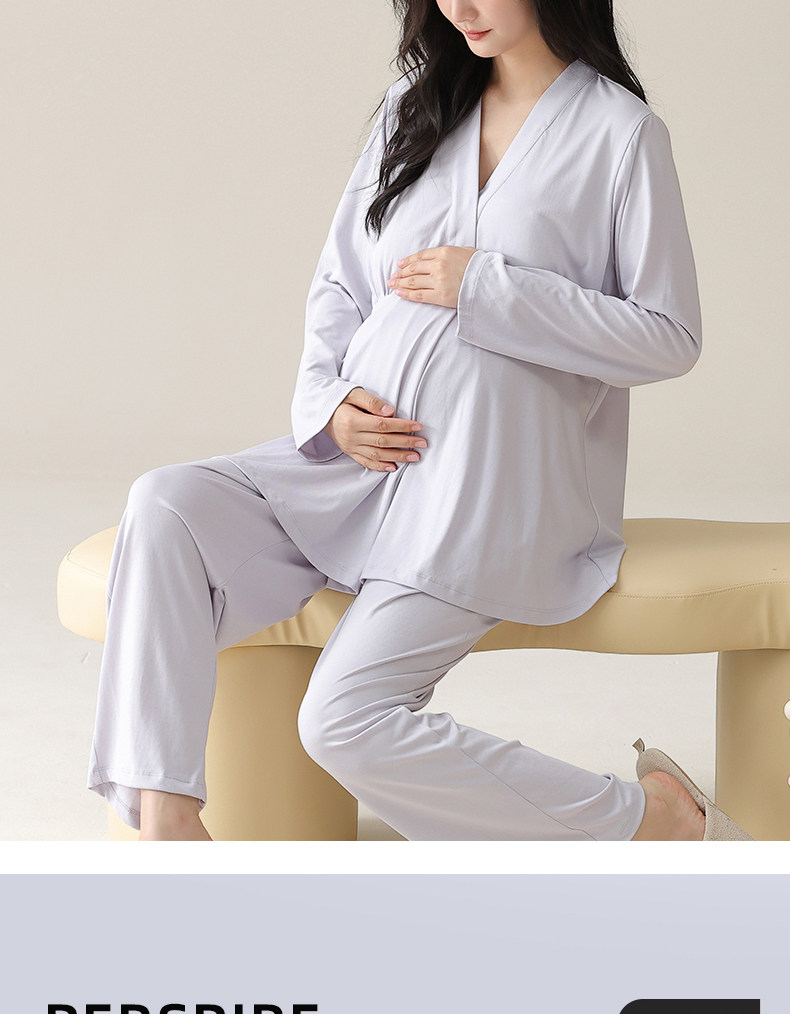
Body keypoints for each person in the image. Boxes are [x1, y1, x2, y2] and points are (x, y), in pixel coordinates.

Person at [88, 0, 712, 841]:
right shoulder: (413, 108)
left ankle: (649, 823)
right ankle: (168, 826)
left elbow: (668, 335)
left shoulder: (620, 134)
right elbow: (340, 285)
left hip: (483, 491)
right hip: (351, 470)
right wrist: (327, 405)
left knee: (342, 721)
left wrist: (488, 287)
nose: (459, 8)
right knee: (165, 503)